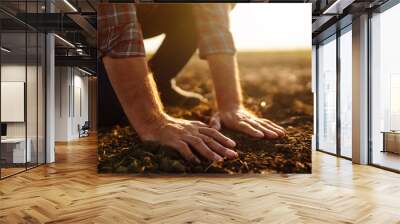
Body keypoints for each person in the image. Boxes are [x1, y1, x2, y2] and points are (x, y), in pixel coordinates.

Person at [98, 3, 286, 164]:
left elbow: (213, 20)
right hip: (90, 26)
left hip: (144, 13)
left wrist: (231, 105)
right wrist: (152, 122)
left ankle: (160, 81)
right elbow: (117, 27)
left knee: (191, 9)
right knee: (112, 112)